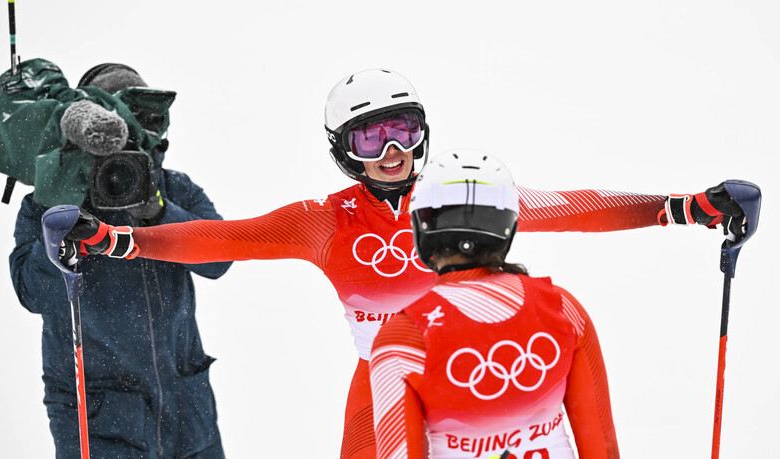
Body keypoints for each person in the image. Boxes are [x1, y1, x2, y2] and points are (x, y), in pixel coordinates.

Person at [60, 69, 743, 459]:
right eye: (370, 136)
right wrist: (121, 240)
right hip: (390, 375)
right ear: (342, 149)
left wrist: (681, 207)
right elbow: (221, 238)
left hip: (479, 365)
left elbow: (577, 206)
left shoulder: (455, 195)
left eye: (404, 130)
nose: (392, 151)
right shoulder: (324, 221)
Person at [4, 61, 233, 458]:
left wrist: (160, 213)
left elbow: (221, 258)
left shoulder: (173, 187)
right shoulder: (47, 202)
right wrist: (59, 234)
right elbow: (31, 293)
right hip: (99, 419)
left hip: (185, 407)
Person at [370, 149, 618, 459]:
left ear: (423, 225)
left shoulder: (401, 339)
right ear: (507, 226)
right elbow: (602, 449)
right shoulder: (563, 309)